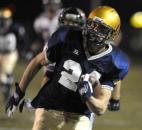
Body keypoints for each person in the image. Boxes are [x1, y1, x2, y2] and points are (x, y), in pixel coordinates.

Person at [6, 6, 129, 130]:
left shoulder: (115, 61)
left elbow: (101, 107)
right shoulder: (67, 37)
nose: (95, 31)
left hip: (81, 114)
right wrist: (18, 93)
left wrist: (88, 97)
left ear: (112, 34)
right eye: (93, 25)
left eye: (101, 29)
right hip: (50, 106)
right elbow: (38, 62)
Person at [0, 7, 28, 103]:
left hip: (11, 53)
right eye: (2, 19)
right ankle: (6, 87)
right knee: (2, 76)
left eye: (5, 19)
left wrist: (24, 50)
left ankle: (7, 90)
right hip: (0, 52)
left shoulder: (15, 27)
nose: (3, 21)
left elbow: (23, 39)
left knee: (7, 72)